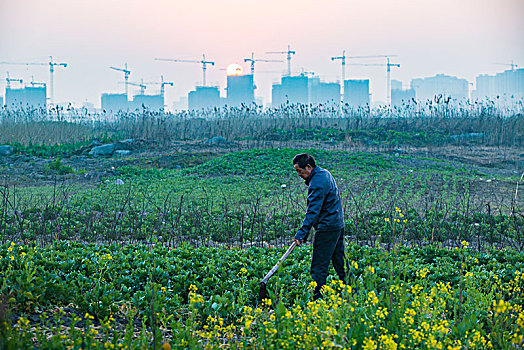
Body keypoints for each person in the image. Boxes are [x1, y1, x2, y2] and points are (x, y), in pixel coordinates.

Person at [293, 153, 347, 300]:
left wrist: (301, 233)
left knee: (319, 267)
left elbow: (313, 211)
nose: (299, 174)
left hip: (327, 228)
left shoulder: (317, 182)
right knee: (340, 262)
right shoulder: (324, 174)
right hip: (337, 225)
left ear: (309, 167)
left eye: (300, 170)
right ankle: (353, 293)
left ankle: (317, 301)